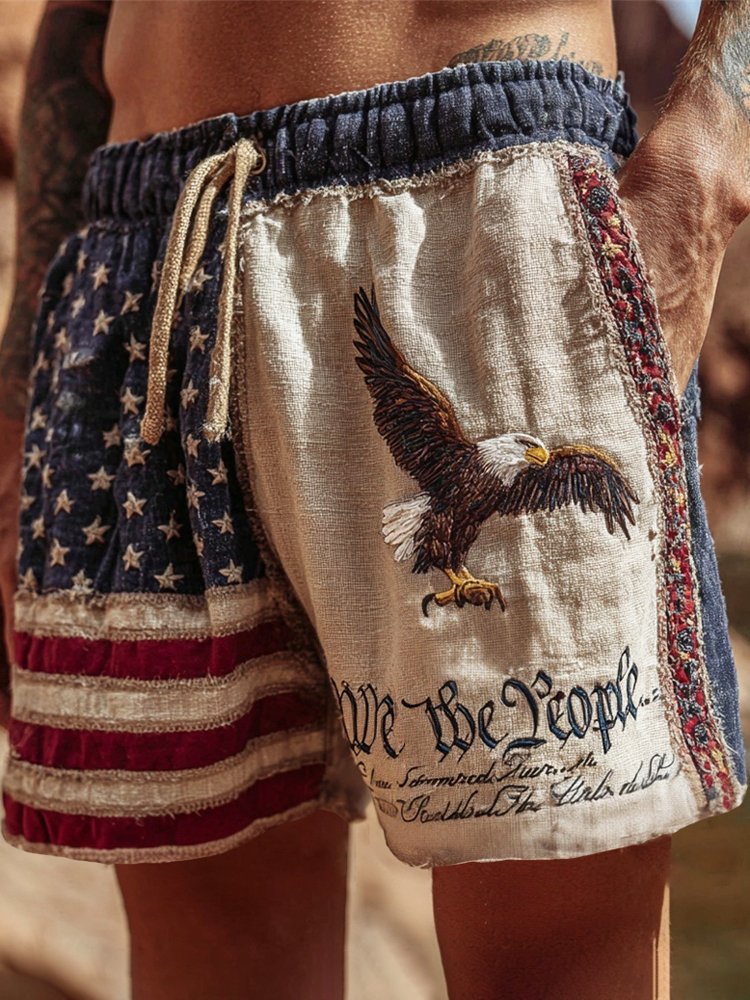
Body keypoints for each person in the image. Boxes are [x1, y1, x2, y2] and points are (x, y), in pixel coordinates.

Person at [0, 2, 747, 998]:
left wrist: (708, 159)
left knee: (554, 959)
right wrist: (20, 397)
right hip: (147, 250)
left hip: (480, 205)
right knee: (219, 951)